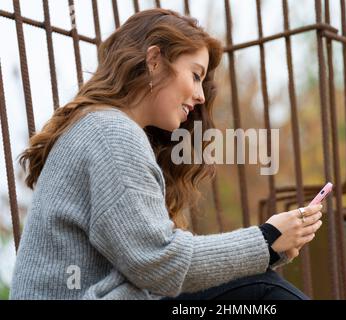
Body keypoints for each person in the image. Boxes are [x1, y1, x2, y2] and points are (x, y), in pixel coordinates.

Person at [9, 8, 323, 300]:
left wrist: (271, 246)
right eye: (196, 74)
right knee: (261, 291)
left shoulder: (100, 127)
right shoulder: (110, 132)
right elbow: (160, 264)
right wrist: (267, 239)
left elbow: (153, 265)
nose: (200, 96)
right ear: (155, 60)